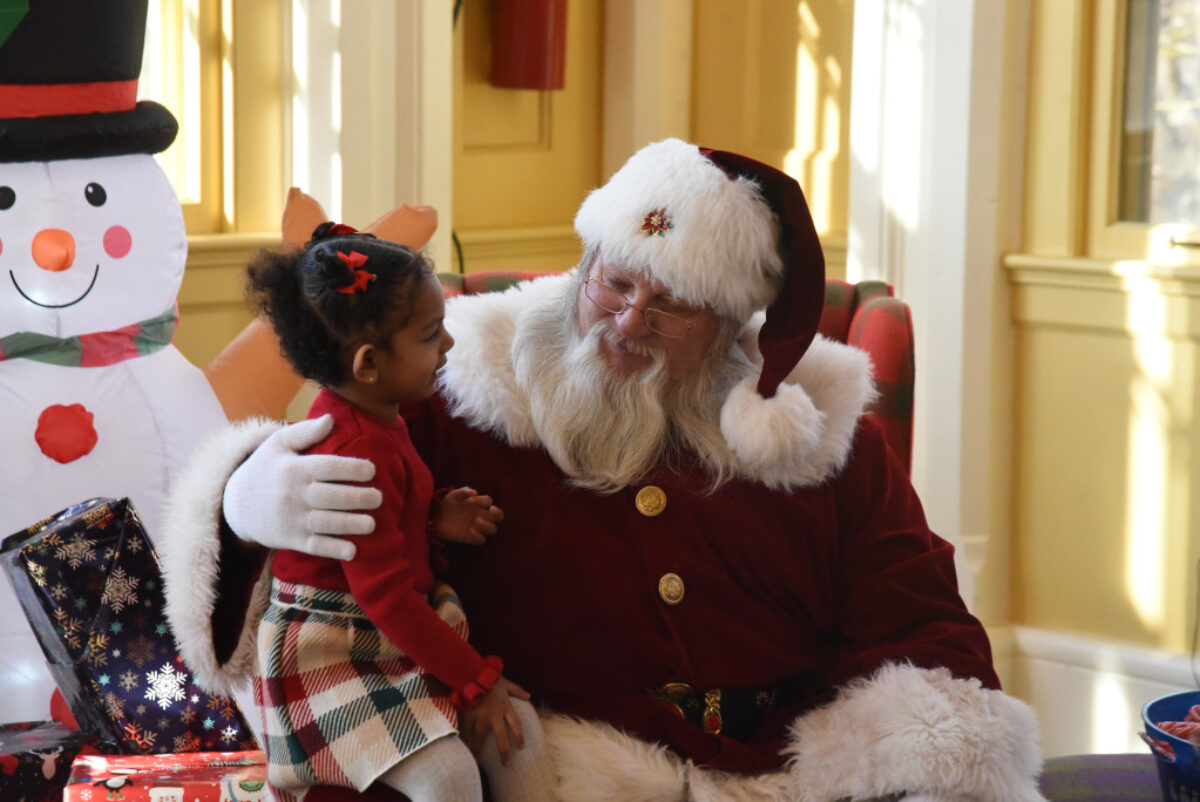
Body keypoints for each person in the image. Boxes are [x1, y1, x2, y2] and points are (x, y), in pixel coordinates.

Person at [164, 139, 1048, 802]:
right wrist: (242, 504)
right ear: (585, 260)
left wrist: (934, 769)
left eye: (672, 307)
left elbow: (922, 620)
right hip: (554, 777)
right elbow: (310, 596)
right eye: (615, 283)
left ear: (735, 327)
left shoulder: (816, 430)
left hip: (794, 777)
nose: (627, 324)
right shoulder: (457, 385)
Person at [194, 223, 554, 802]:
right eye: (433, 335)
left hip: (386, 634)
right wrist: (475, 678)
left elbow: (375, 529)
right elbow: (383, 594)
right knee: (448, 777)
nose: (449, 347)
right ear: (368, 364)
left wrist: (432, 517)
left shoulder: (380, 416)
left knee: (521, 735)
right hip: (334, 651)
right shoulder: (354, 448)